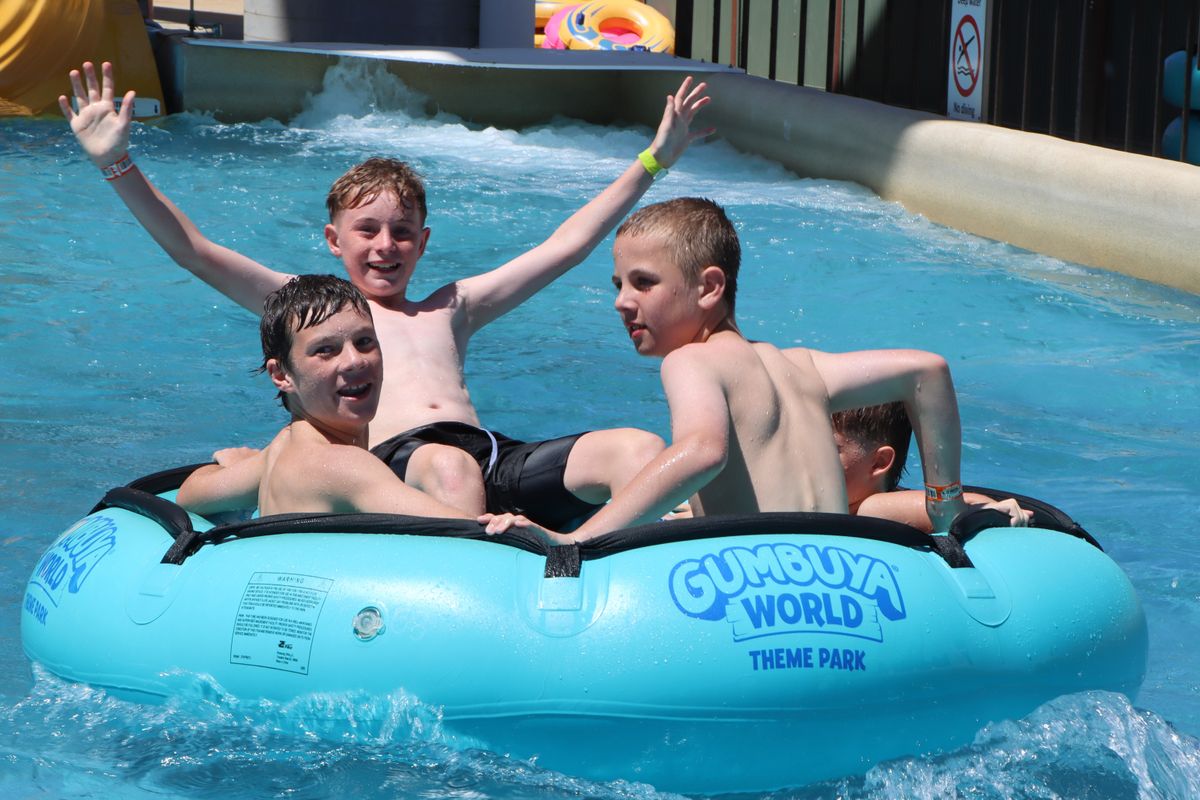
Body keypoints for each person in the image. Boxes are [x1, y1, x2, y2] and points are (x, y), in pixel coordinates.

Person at [60, 61, 712, 528]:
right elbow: (195, 252)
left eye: (402, 232)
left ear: (422, 243)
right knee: (449, 468)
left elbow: (565, 246)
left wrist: (653, 161)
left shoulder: (452, 308)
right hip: (407, 467)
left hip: (490, 456)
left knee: (634, 448)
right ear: (333, 240)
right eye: (366, 230)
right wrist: (117, 164)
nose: (385, 245)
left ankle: (613, 563)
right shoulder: (313, 309)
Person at [481, 197, 1030, 543]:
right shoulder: (803, 366)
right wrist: (945, 507)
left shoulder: (691, 360)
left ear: (709, 287)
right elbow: (927, 371)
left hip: (764, 581)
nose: (622, 302)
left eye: (644, 283)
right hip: (847, 566)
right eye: (618, 285)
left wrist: (577, 540)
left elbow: (704, 451)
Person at [177, 274, 474, 519]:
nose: (355, 361)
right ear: (281, 375)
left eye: (364, 341)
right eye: (325, 350)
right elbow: (468, 535)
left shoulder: (281, 450)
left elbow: (189, 494)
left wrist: (236, 465)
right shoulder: (344, 466)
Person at [832, 402, 1028, 532]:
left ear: (879, 463)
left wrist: (990, 510)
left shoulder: (872, 508)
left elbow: (963, 506)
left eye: (829, 449)